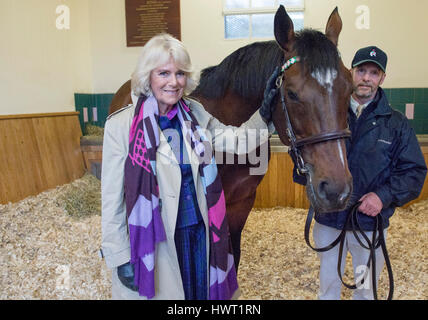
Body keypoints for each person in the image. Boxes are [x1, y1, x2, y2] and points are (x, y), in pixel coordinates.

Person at [100, 33, 278, 300]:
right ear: (148, 75)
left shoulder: (195, 114)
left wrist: (264, 115)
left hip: (199, 234)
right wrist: (120, 256)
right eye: (164, 73)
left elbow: (237, 140)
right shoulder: (121, 126)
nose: (174, 82)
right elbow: (112, 199)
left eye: (180, 73)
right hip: (156, 242)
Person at [295, 46, 427, 299]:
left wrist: (382, 197)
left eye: (374, 73)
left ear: (382, 78)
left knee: (366, 289)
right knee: (329, 286)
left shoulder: (396, 124)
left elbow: (413, 172)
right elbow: (305, 157)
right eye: (361, 70)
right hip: (329, 221)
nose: (366, 78)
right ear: (350, 73)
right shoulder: (328, 116)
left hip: (368, 225)